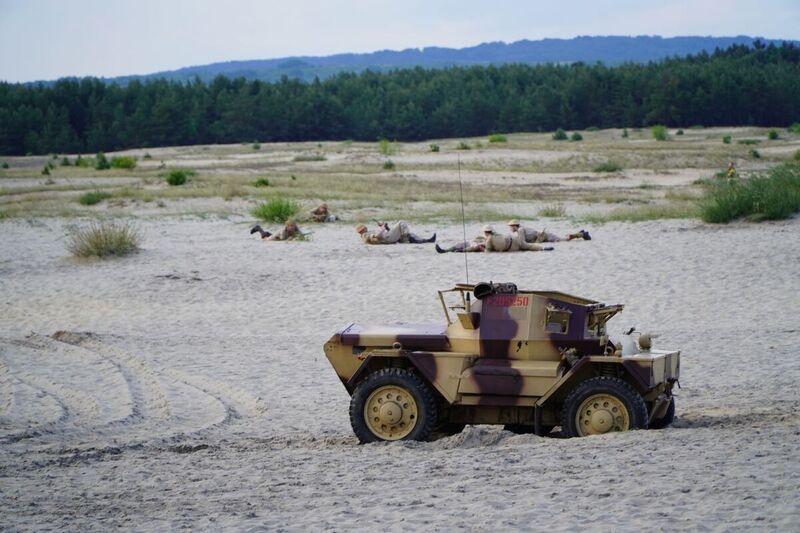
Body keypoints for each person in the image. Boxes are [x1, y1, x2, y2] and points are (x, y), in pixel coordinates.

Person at [481, 225, 552, 252]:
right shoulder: (497, 235)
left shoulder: (489, 239)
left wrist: (481, 248)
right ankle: (543, 248)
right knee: (528, 246)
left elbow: (488, 251)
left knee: (524, 249)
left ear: (485, 232)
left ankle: (542, 249)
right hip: (513, 238)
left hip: (511, 247)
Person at [507, 220, 591, 243]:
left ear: (515, 226)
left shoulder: (520, 230)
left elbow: (522, 242)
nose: (510, 228)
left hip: (545, 236)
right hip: (543, 237)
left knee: (564, 240)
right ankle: (580, 233)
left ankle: (582, 234)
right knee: (563, 239)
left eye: (511, 227)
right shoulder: (520, 229)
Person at [355, 221, 436, 244]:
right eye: (364, 227)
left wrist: (385, 228)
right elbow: (376, 235)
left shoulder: (365, 235)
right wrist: (383, 227)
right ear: (362, 229)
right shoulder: (366, 235)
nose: (366, 227)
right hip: (388, 238)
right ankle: (406, 239)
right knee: (401, 223)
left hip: (388, 236)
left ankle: (426, 240)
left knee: (409, 234)